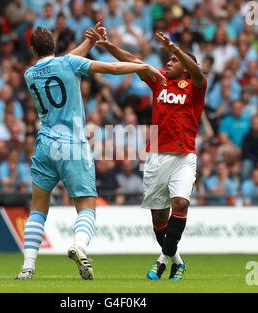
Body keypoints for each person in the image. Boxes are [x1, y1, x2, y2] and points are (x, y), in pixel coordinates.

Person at [15, 25, 165, 280]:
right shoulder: (69, 63)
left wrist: (89, 41)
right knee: (86, 205)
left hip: (45, 145)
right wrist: (143, 66)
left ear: (32, 49)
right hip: (73, 144)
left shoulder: (30, 74)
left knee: (38, 209)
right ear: (54, 45)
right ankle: (80, 246)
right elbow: (113, 69)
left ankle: (28, 267)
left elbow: (63, 62)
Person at [97, 29, 206, 280]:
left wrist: (175, 48)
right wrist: (109, 45)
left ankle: (160, 262)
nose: (168, 62)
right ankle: (176, 261)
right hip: (156, 157)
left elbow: (199, 73)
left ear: (186, 68)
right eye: (168, 59)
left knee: (180, 203)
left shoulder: (195, 87)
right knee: (159, 218)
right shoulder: (159, 80)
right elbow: (133, 60)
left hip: (184, 156)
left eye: (174, 61)